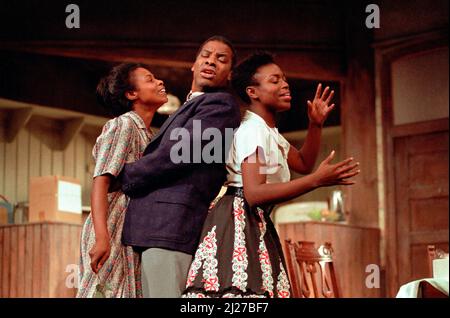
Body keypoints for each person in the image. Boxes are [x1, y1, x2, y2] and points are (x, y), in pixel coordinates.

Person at [182, 52, 360, 298]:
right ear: (252, 92)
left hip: (253, 220)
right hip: (237, 220)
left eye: (284, 79)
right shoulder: (253, 130)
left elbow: (304, 162)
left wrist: (315, 125)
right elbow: (254, 193)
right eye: (274, 80)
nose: (285, 84)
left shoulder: (268, 131)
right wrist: (317, 181)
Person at [119, 36, 242, 297]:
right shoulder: (188, 106)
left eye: (221, 59)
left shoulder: (220, 105)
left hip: (172, 225)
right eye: (206, 55)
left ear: (229, 74)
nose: (211, 60)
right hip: (153, 227)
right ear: (193, 65)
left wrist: (126, 174)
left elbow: (179, 153)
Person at [77, 63, 168, 298]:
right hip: (110, 226)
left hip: (131, 231)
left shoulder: (149, 135)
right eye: (150, 79)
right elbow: (101, 182)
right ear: (131, 94)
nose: (159, 82)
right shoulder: (123, 124)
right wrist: (102, 237)